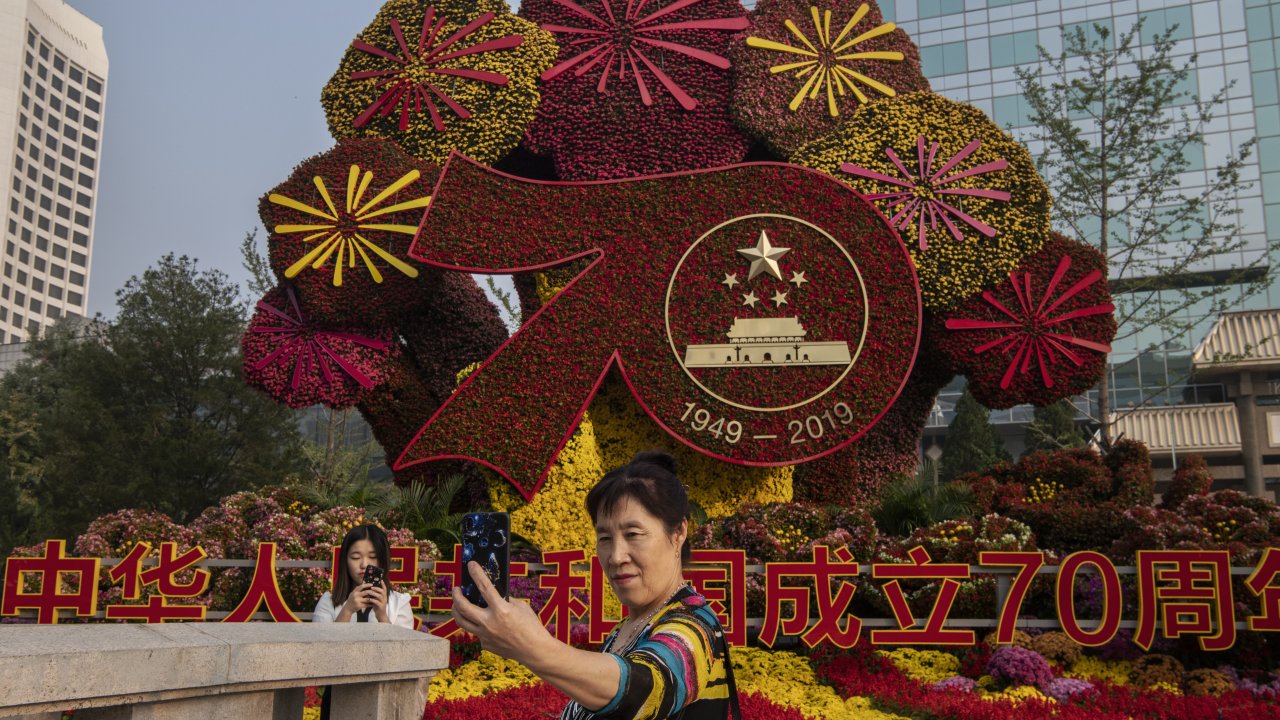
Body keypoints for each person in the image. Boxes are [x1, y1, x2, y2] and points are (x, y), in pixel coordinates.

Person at [452, 451, 741, 719]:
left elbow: (645, 688)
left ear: (678, 532)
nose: (616, 556)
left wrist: (530, 645)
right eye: (604, 539)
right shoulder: (625, 630)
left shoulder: (695, 626)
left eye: (633, 534)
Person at [313, 524, 414, 628]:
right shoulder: (328, 602)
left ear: (383, 560)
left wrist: (382, 616)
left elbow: (404, 644)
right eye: (356, 557)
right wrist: (347, 610)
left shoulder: (400, 603)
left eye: (373, 557)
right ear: (345, 561)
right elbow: (321, 641)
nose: (364, 564)